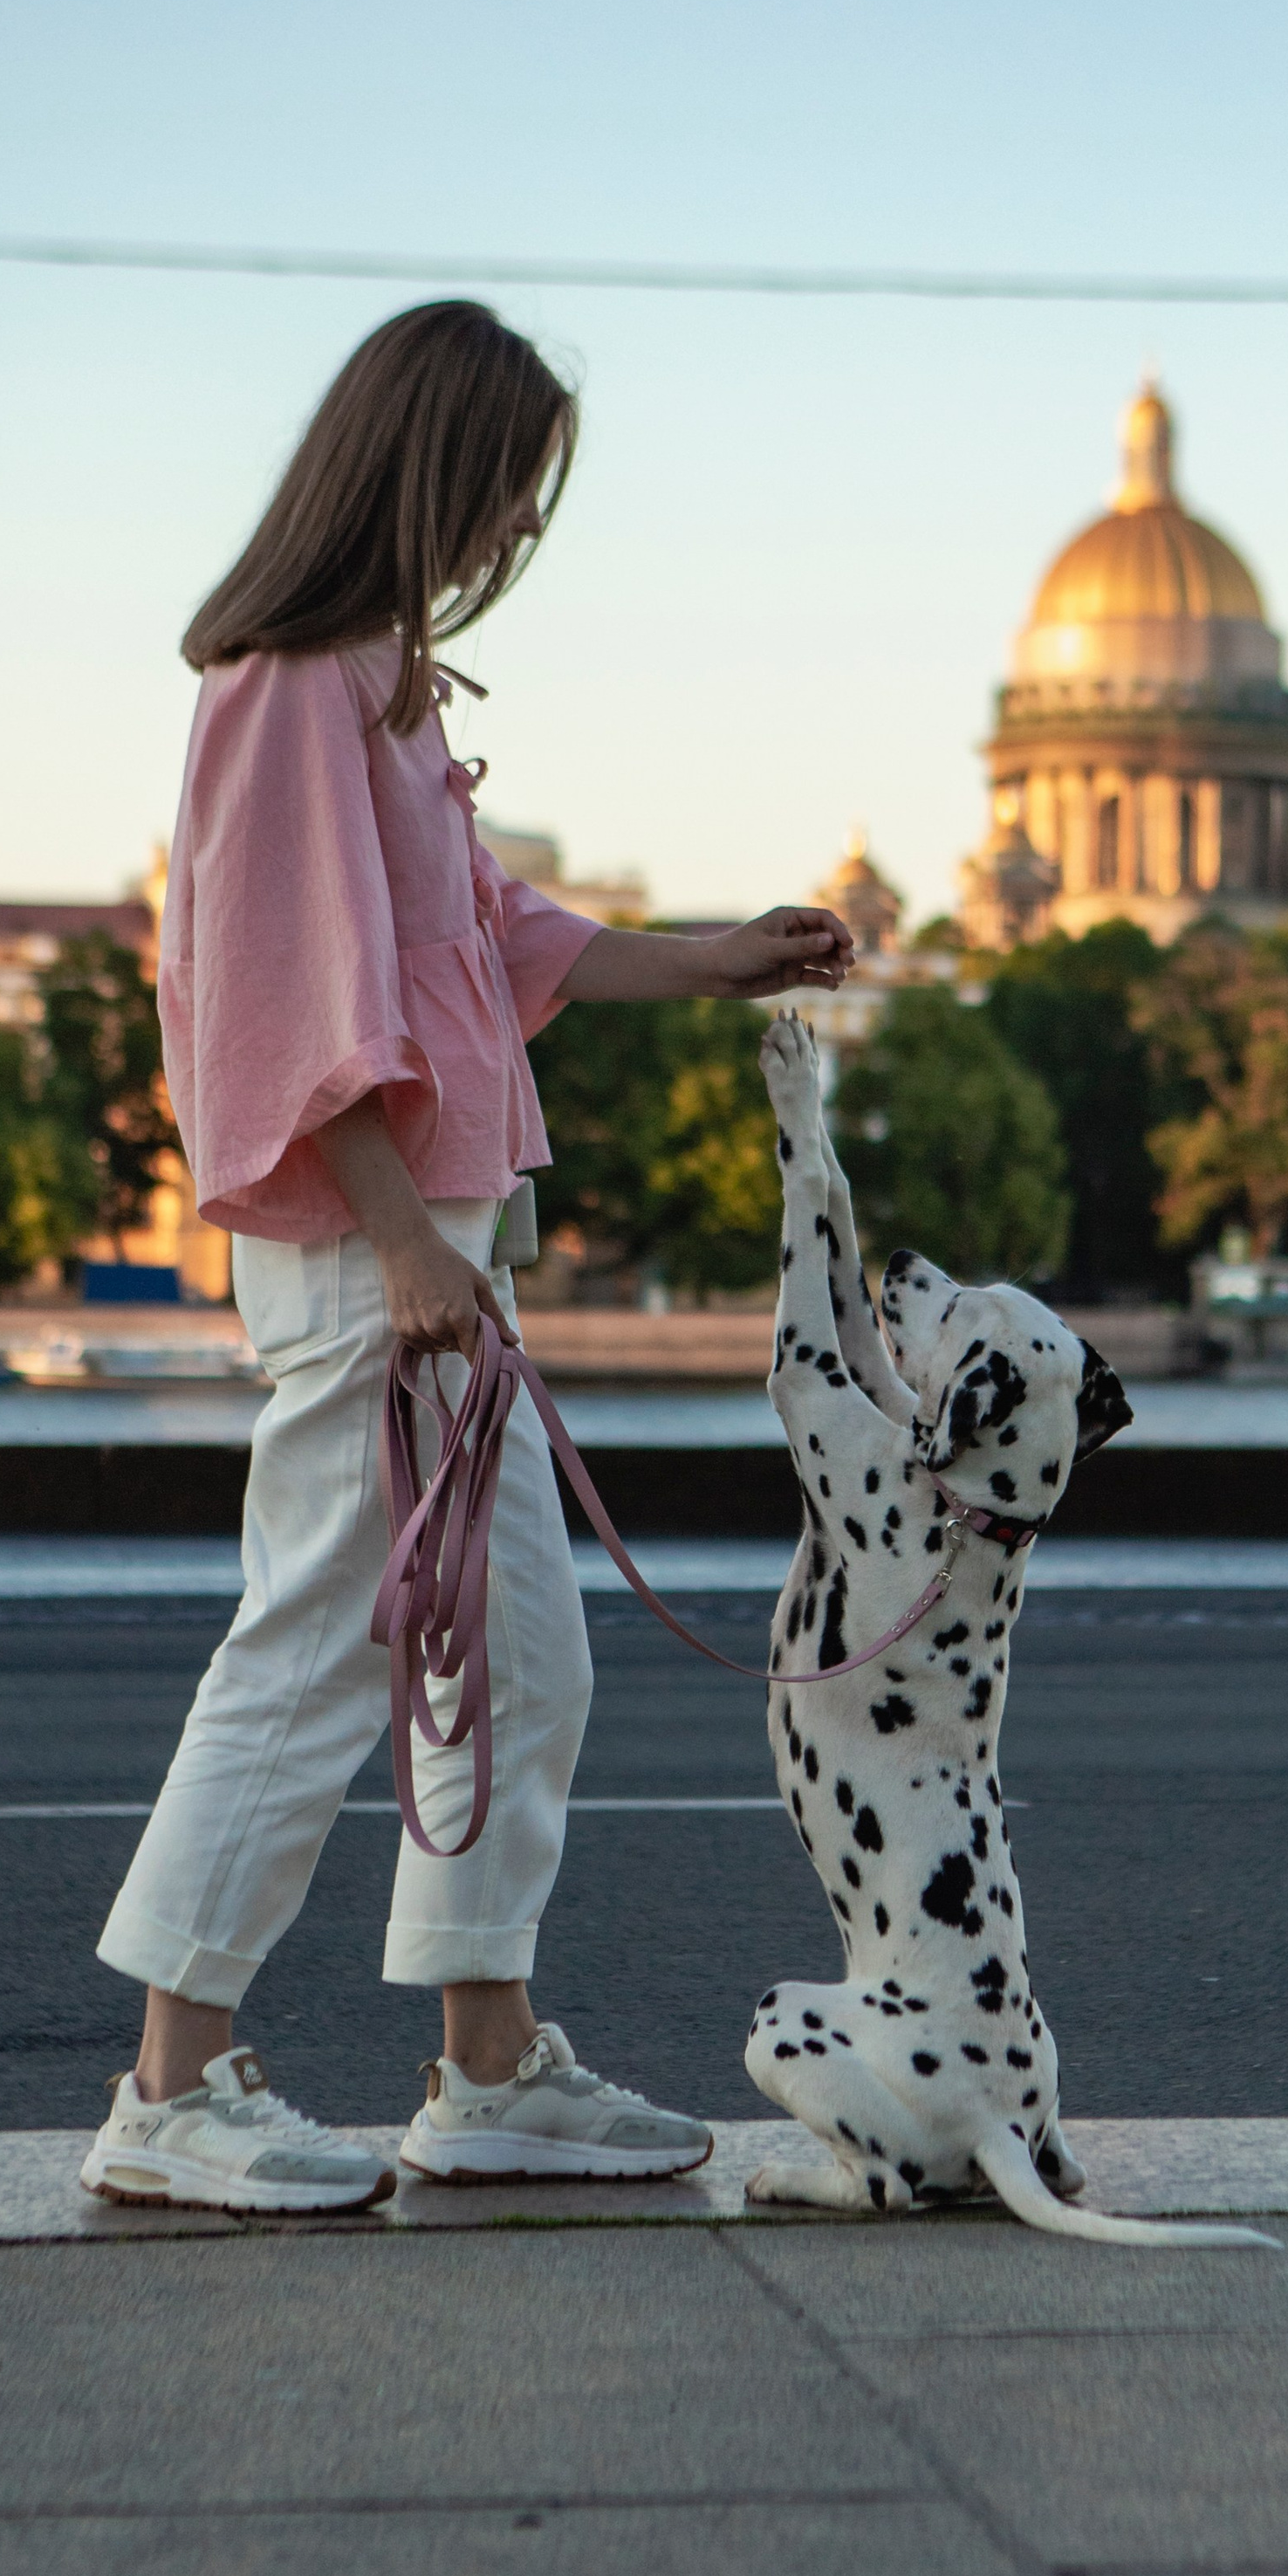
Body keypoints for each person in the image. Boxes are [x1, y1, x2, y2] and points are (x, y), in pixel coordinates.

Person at [82, 301, 853, 2213]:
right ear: (424, 465)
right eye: (505, 488)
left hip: (431, 1255)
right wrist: (410, 1238)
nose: (514, 530)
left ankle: (487, 2069)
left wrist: (716, 958)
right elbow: (278, 991)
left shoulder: (386, 688)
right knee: (324, 1651)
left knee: (516, 1661)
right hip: (381, 1260)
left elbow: (496, 938)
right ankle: (171, 2087)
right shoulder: (289, 680)